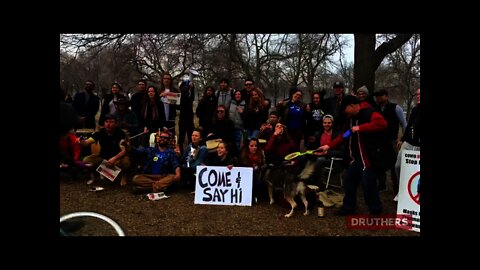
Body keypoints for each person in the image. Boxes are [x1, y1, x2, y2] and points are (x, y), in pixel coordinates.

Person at [318, 95, 387, 215]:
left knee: (368, 184)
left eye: (345, 109)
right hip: (355, 158)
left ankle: (375, 210)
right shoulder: (350, 118)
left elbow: (382, 124)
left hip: (369, 158)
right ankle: (348, 208)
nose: (344, 112)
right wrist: (329, 146)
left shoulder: (370, 112)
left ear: (351, 106)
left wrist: (361, 128)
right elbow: (345, 135)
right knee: (348, 181)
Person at [80, 114, 130, 186]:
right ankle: (94, 176)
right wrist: (80, 141)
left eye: (111, 122)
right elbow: (86, 143)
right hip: (103, 157)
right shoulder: (100, 132)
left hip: (117, 158)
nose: (108, 124)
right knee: (86, 160)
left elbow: (125, 150)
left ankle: (123, 177)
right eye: (106, 122)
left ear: (116, 124)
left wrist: (114, 158)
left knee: (126, 162)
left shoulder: (120, 133)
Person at [373, 89, 407, 193]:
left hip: (392, 141)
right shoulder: (375, 108)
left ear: (386, 96)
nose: (378, 98)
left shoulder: (396, 108)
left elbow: (404, 124)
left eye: (380, 96)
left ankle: (397, 188)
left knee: (394, 165)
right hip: (379, 141)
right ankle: (382, 185)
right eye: (377, 96)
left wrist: (403, 138)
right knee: (379, 164)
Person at [393, 88, 421, 201]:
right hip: (409, 143)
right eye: (417, 94)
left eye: (420, 94)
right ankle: (402, 191)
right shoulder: (415, 110)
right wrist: (403, 139)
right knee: (398, 166)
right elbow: (409, 126)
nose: (418, 96)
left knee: (417, 171)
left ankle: (414, 194)